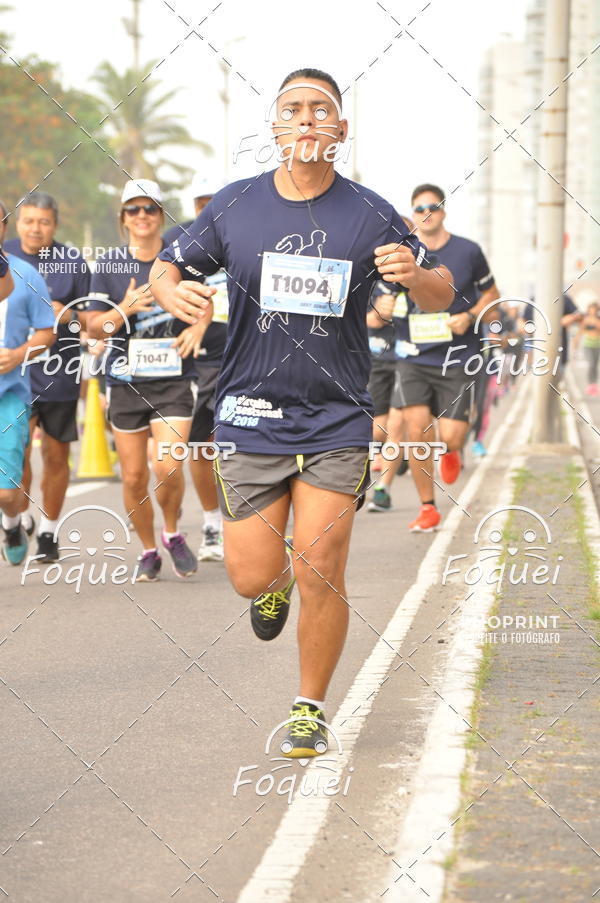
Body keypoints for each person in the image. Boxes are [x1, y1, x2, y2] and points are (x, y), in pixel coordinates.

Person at [151, 68, 453, 756]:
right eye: (295, 109)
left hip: (338, 415)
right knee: (252, 575)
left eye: (323, 110)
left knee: (323, 563)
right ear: (277, 128)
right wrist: (171, 294)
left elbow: (439, 291)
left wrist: (415, 274)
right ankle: (270, 586)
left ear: (341, 130)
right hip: (250, 411)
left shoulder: (371, 213)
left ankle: (309, 706)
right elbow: (167, 268)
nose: (309, 118)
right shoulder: (236, 205)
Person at [87, 179, 202, 581]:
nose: (142, 217)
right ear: (123, 219)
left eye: (150, 209)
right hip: (124, 381)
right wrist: (125, 307)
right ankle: (149, 549)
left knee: (168, 466)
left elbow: (203, 301)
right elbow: (96, 328)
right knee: (134, 476)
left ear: (161, 216)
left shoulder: (180, 260)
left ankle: (172, 532)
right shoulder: (109, 267)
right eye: (133, 210)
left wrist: (198, 329)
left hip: (173, 379)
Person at [389, 183, 499, 532]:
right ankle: (427, 507)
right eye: (418, 208)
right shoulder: (401, 252)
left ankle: (451, 451)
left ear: (443, 211)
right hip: (412, 356)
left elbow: (492, 295)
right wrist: (382, 306)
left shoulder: (468, 251)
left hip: (457, 356)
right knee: (416, 429)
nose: (425, 213)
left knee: (449, 437)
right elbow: (380, 295)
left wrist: (469, 316)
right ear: (413, 213)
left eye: (431, 206)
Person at [4, 192, 90, 562]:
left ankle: (50, 533)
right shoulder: (5, 254)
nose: (35, 228)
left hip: (58, 372)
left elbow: (91, 320)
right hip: (14, 378)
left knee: (55, 457)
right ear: (16, 223)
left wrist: (65, 313)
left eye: (44, 222)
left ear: (54, 225)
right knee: (18, 456)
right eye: (28, 220)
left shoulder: (72, 262)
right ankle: (17, 517)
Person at [163, 176, 227, 561]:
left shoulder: (247, 234)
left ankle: (252, 521)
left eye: (213, 202)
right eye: (200, 204)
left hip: (247, 357)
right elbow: (164, 282)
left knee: (244, 446)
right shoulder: (181, 239)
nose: (206, 211)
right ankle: (211, 522)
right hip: (199, 361)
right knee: (202, 448)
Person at [0, 199, 54, 564]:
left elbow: (47, 332)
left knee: (6, 493)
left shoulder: (25, 275)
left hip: (10, 394)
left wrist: (18, 354)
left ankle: (11, 521)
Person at [365, 281, 410, 512]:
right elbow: (366, 320)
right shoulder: (368, 279)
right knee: (376, 431)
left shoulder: (418, 277)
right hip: (377, 360)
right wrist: (379, 313)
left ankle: (382, 491)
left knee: (396, 427)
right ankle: (400, 453)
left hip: (410, 361)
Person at [579, 301, 600, 394]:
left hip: (597, 344)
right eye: (591, 310)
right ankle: (590, 384)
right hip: (588, 344)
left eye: (594, 310)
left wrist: (595, 321)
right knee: (591, 364)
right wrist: (575, 342)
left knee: (595, 366)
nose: (593, 311)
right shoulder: (585, 319)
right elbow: (581, 331)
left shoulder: (598, 319)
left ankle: (594, 385)